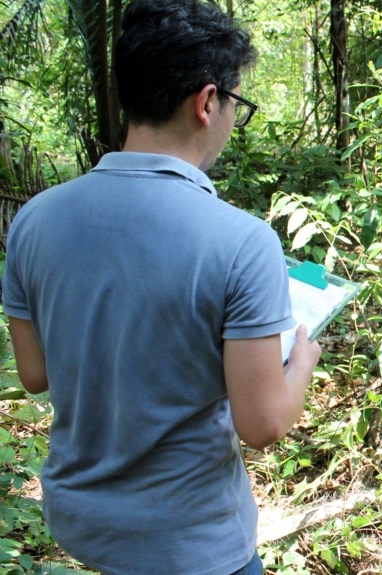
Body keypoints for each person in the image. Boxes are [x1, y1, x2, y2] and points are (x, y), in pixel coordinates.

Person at [2, 1, 322, 573]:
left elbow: (34, 374)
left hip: (81, 521)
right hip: (191, 540)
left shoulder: (34, 219)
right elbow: (264, 424)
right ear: (206, 102)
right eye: (235, 104)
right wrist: (302, 358)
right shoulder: (242, 242)